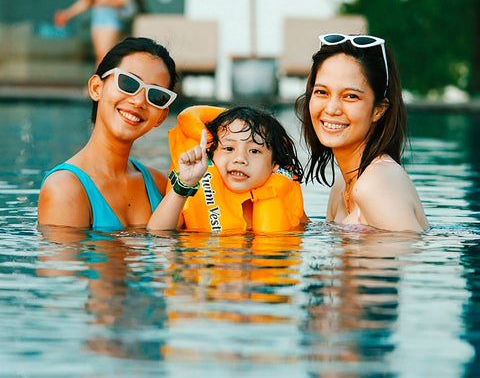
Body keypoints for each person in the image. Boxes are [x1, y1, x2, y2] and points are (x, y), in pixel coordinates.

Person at [37, 37, 208, 231]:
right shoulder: (64, 188)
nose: (139, 101)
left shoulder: (163, 184)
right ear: (96, 88)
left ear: (161, 116)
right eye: (128, 83)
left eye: (156, 96)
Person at [296, 33, 429, 232]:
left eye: (350, 96)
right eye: (322, 92)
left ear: (379, 109)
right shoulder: (342, 186)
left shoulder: (375, 185)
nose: (331, 109)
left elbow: (407, 259)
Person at [149, 105, 308, 232]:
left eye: (254, 151)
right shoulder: (192, 189)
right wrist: (184, 184)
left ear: (275, 164)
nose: (240, 159)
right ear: (213, 154)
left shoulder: (283, 195)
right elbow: (158, 232)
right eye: (229, 149)